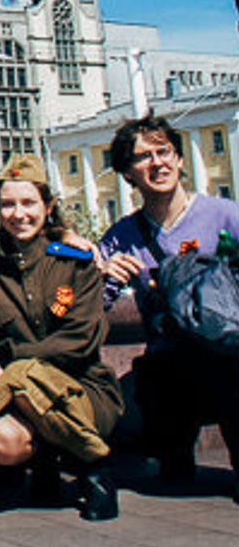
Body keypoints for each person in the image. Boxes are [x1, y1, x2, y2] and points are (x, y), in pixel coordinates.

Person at [0, 155, 121, 520]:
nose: (19, 214)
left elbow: (81, 338)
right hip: (17, 394)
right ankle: (62, 460)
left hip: (82, 390)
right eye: (8, 205)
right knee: (1, 441)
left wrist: (8, 361)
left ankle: (95, 465)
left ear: (48, 207)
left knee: (22, 373)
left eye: (29, 203)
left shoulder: (75, 262)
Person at [98, 114, 239, 496]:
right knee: (166, 460)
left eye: (164, 152)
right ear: (128, 173)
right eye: (143, 157)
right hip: (169, 360)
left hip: (226, 353)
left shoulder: (225, 215)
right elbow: (96, 307)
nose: (157, 163)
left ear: (179, 160)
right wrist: (106, 275)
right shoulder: (122, 236)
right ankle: (172, 450)